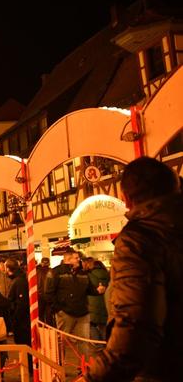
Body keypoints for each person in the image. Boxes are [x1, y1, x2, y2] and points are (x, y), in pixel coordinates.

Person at [80, 157, 183, 382]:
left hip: (163, 370)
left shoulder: (139, 239)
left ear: (126, 199)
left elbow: (136, 325)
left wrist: (97, 377)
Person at [45, 248, 104, 355]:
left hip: (83, 313)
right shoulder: (56, 272)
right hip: (65, 313)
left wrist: (98, 291)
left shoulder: (83, 273)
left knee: (84, 342)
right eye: (76, 258)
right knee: (61, 341)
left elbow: (90, 289)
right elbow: (49, 293)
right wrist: (59, 309)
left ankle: (83, 368)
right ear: (68, 259)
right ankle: (59, 367)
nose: (79, 260)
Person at [5, 259, 32, 375]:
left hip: (22, 321)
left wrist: (15, 318)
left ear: (8, 268)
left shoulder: (19, 281)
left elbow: (21, 303)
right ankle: (27, 367)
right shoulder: (17, 280)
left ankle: (29, 368)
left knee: (24, 344)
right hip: (21, 319)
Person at [84, 258, 110, 342]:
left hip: (92, 301)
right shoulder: (107, 274)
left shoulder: (89, 275)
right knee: (103, 324)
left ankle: (98, 343)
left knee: (91, 324)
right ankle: (106, 342)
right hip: (105, 301)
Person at [35, 257, 52, 323]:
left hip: (39, 296)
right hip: (49, 296)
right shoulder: (51, 271)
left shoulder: (37, 272)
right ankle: (49, 329)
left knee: (40, 315)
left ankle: (41, 330)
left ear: (42, 263)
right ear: (49, 263)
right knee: (49, 316)